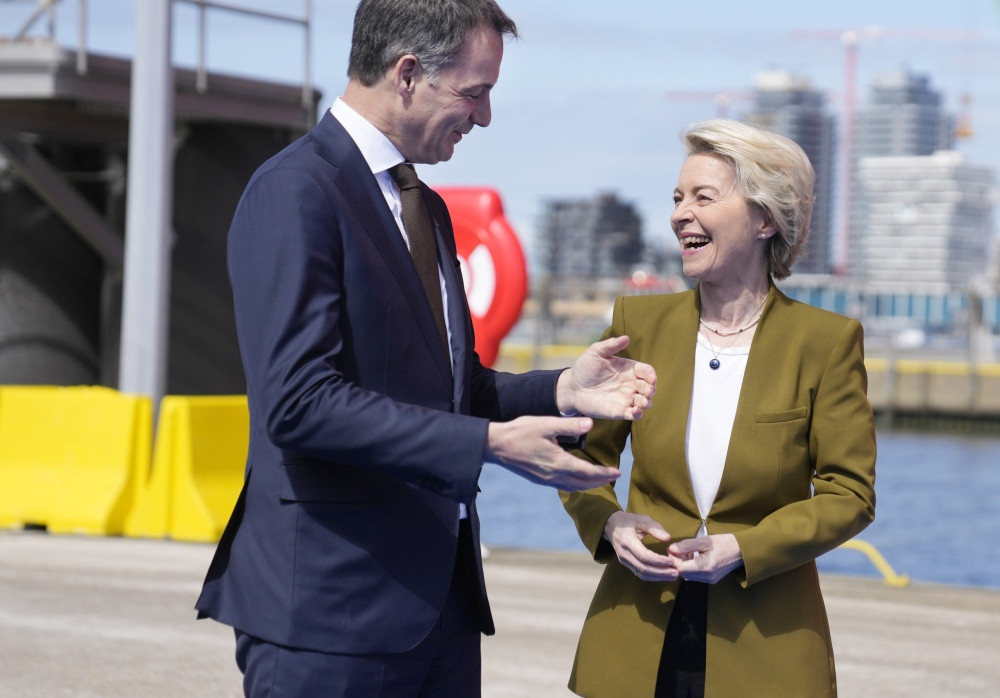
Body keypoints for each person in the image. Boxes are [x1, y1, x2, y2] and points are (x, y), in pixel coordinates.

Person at [194, 1, 657, 695]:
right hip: (330, 614)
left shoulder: (425, 206)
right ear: (407, 73)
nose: (485, 117)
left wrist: (563, 390)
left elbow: (447, 386)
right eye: (476, 92)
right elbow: (298, 403)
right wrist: (489, 445)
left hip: (438, 610)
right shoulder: (294, 192)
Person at [560, 119, 877, 698]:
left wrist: (745, 547)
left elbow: (849, 495)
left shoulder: (825, 342)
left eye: (704, 197)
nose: (682, 213)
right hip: (634, 635)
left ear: (764, 219)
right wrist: (607, 522)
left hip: (767, 649)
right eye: (678, 198)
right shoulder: (637, 326)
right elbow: (580, 458)